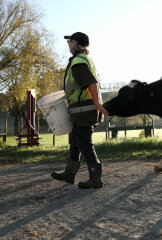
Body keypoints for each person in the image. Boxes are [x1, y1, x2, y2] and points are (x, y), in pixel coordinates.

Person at [51, 32, 108, 189]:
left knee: (84, 142)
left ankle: (96, 178)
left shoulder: (78, 61)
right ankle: (69, 174)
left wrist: (96, 103)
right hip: (81, 109)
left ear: (78, 44)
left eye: (70, 41)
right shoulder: (83, 59)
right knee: (75, 141)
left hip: (85, 109)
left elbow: (91, 83)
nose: (68, 44)